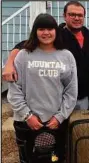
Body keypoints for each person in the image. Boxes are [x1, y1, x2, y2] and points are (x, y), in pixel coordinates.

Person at [7, 13, 78, 163]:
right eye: (41, 29)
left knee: (54, 159)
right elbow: (14, 90)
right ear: (35, 31)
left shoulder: (66, 56)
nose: (46, 33)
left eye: (50, 29)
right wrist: (28, 116)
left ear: (56, 31)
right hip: (27, 123)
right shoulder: (23, 55)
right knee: (29, 159)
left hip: (55, 123)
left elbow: (71, 91)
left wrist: (59, 117)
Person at [3, 1, 89, 110]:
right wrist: (9, 63)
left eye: (80, 15)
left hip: (84, 99)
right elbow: (24, 45)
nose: (76, 18)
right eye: (72, 14)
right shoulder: (55, 35)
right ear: (64, 16)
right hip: (60, 99)